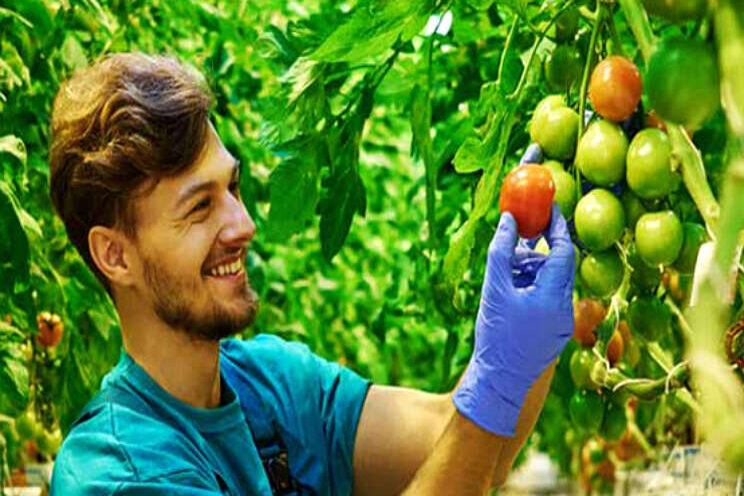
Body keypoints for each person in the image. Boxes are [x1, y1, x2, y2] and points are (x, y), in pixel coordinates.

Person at [48, 53, 574, 495]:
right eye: (199, 208)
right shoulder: (116, 473)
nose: (244, 224)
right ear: (115, 256)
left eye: (231, 189)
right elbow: (475, 435)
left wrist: (539, 280)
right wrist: (497, 381)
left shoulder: (271, 385)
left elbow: (471, 449)